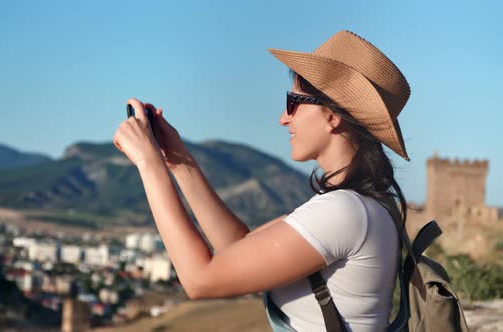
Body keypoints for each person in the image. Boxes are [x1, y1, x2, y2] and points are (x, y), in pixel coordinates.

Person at [113, 30, 411, 331]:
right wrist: (178, 161)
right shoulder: (358, 207)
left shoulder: (346, 212)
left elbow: (199, 280)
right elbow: (240, 247)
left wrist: (148, 164)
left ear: (333, 115)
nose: (283, 118)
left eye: (293, 102)